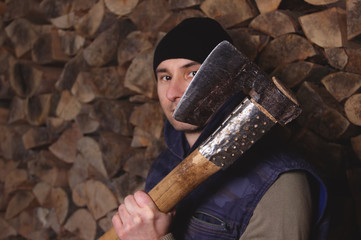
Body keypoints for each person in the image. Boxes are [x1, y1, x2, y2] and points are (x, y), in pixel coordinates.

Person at [112, 17, 329, 240]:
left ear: (227, 79)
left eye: (192, 73)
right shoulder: (165, 163)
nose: (172, 93)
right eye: (166, 77)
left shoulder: (279, 181)